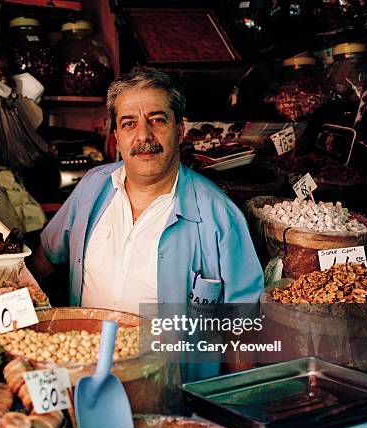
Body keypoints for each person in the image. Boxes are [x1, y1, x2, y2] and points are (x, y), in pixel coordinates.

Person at [32, 68, 263, 315]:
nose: (143, 134)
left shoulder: (221, 216)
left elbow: (243, 327)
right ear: (117, 138)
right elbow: (47, 255)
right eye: (129, 123)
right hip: (86, 349)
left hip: (168, 354)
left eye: (157, 119)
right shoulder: (92, 186)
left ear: (179, 130)